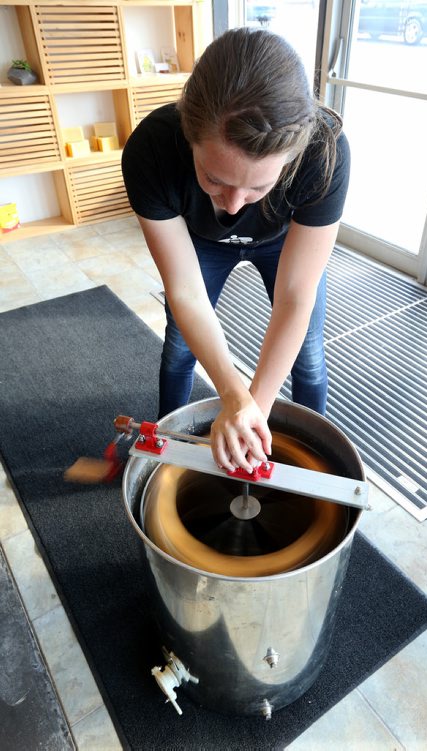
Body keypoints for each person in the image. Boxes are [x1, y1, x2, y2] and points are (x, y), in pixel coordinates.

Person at [122, 27, 350, 475]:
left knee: (307, 352)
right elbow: (185, 291)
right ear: (189, 136)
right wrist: (230, 393)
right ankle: (167, 445)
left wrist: (253, 410)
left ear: (291, 159)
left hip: (282, 239)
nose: (232, 206)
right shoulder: (151, 150)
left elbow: (295, 296)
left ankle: (318, 464)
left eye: (259, 187)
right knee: (180, 345)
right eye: (215, 179)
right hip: (199, 241)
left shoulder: (326, 153)